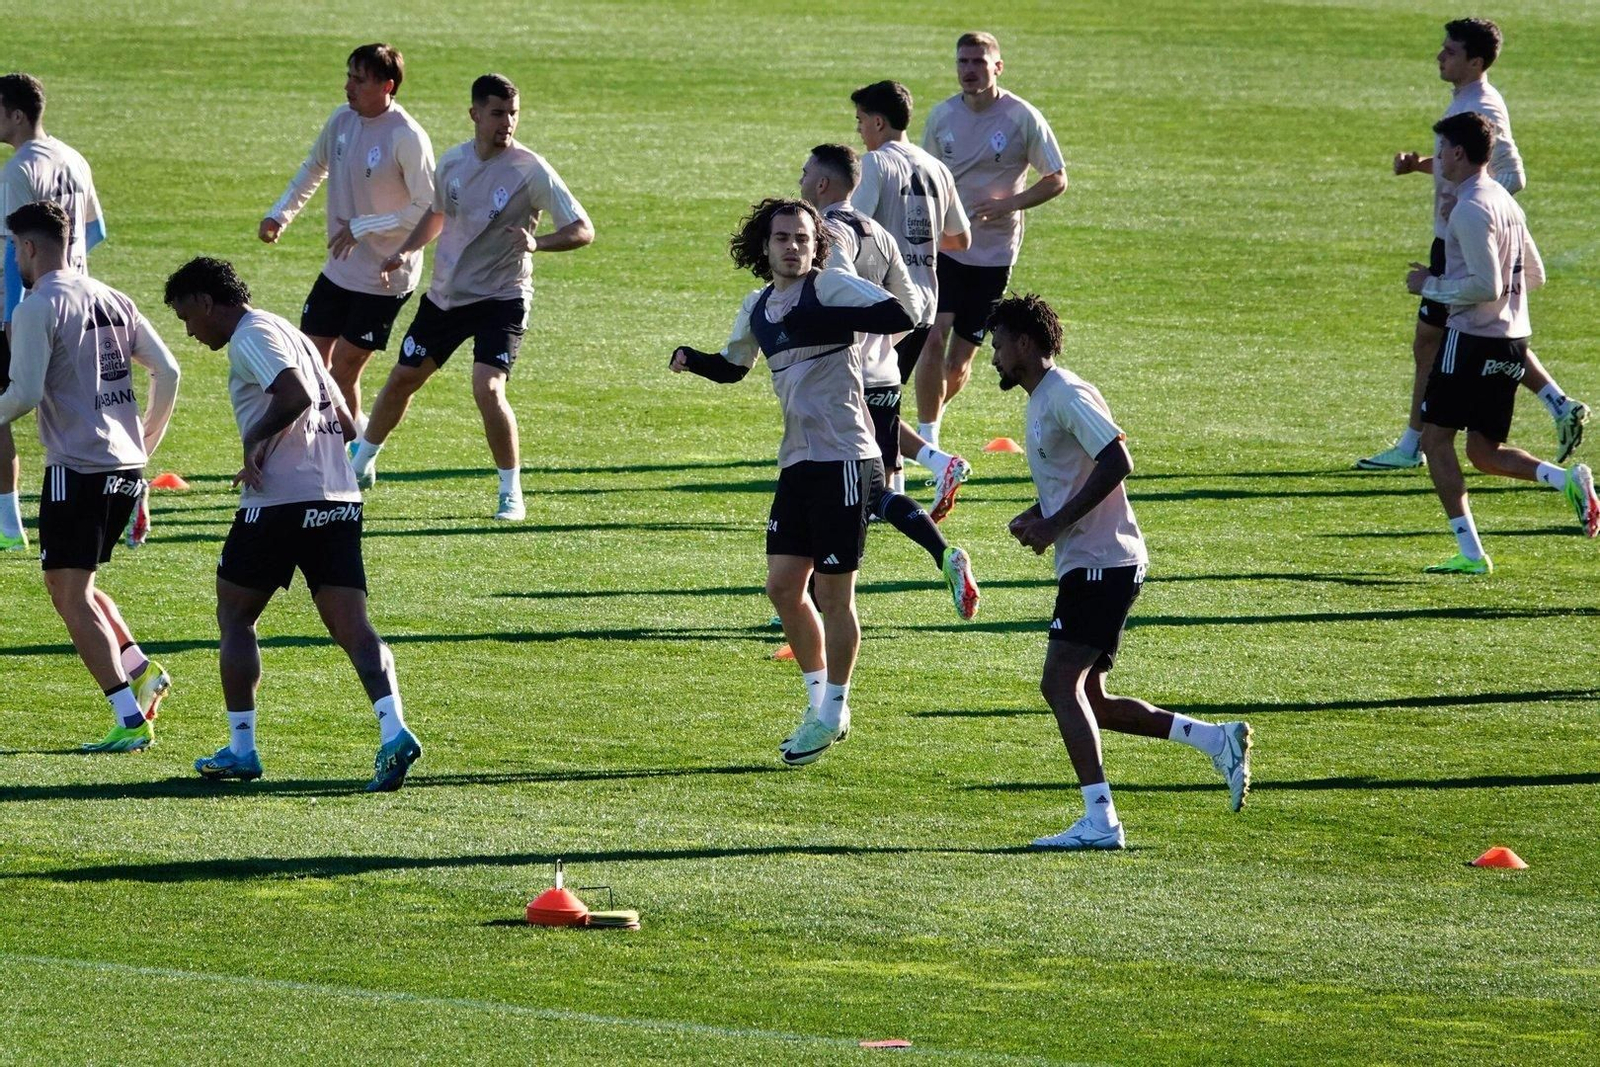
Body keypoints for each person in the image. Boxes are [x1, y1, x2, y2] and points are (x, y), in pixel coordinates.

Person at [991, 293, 1250, 850]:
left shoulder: (1066, 394)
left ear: (1025, 343)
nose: (992, 355)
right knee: (1095, 702)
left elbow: (1117, 460)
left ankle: (1101, 822)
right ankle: (1216, 740)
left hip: (1102, 564)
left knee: (1059, 684)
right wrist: (1040, 516)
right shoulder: (1043, 400)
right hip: (1096, 562)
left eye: (998, 343)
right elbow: (1080, 473)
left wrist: (1055, 523)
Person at [670, 198, 913, 766]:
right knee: (783, 587)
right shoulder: (757, 307)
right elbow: (736, 365)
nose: (793, 246)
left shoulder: (829, 288)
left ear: (816, 244)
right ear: (765, 245)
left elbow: (900, 315)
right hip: (799, 463)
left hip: (846, 459)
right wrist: (693, 360)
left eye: (803, 238)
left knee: (833, 596)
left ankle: (834, 708)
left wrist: (832, 318)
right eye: (783, 238)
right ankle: (819, 703)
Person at [164, 256, 422, 790]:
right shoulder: (292, 332)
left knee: (235, 618)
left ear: (207, 302)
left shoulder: (250, 336)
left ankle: (242, 749)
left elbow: (295, 396)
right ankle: (394, 730)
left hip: (279, 502)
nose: (189, 331)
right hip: (338, 498)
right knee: (355, 628)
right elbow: (347, 420)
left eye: (187, 317)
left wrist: (255, 440)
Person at [350, 74, 594, 520]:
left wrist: (539, 244)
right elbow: (438, 213)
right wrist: (405, 251)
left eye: (513, 114)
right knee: (403, 379)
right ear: (475, 114)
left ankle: (510, 491)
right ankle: (362, 463)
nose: (507, 123)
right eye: (498, 113)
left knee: (487, 387)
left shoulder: (530, 170)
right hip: (447, 296)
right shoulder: (453, 163)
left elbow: (583, 230)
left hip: (502, 296)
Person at [1360, 17, 1588, 471]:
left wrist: (1474, 207)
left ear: (1475, 61)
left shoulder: (1485, 104)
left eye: (1450, 51)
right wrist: (1422, 165)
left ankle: (1414, 445)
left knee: (1440, 342)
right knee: (1464, 340)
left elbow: (1510, 174)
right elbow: (1463, 158)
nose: (1439, 56)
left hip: (1462, 245)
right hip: (1454, 239)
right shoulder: (1464, 99)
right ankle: (1558, 403)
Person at [0, 201, 178, 751]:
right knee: (80, 585)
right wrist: (143, 444)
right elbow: (167, 371)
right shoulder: (112, 296)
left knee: (67, 594)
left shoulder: (37, 307)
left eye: (13, 248)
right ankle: (141, 669)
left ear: (29, 247)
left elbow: (25, 394)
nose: (13, 259)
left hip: (77, 468)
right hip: (124, 465)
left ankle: (129, 719)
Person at [1406, 113, 1597, 574]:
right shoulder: (1506, 203)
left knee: (1434, 441)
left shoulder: (1471, 207)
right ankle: (1565, 480)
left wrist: (1430, 285)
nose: (1437, 158)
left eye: (1441, 148)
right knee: (1484, 451)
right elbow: (1534, 274)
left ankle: (1471, 554)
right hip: (1513, 340)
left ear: (1457, 152)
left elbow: (1485, 285)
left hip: (1471, 338)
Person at [799, 143, 977, 619]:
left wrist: (845, 334)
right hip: (884, 373)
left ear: (821, 184)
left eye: (804, 173)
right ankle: (941, 554)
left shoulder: (828, 231)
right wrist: (883, 339)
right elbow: (916, 306)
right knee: (872, 491)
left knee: (826, 479)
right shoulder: (878, 231)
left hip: (844, 376)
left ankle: (813, 594)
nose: (799, 181)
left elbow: (831, 286)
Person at [258, 43, 435, 438]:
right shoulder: (342, 120)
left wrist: (364, 226)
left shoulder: (407, 136)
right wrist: (279, 214)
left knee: (344, 369)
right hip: (340, 269)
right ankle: (348, 432)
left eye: (359, 80)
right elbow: (313, 168)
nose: (347, 86)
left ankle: (349, 452)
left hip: (385, 276)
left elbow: (430, 206)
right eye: (348, 77)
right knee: (310, 357)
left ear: (387, 86)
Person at [918, 31, 1066, 447]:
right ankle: (927, 441)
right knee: (933, 333)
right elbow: (925, 177)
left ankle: (930, 424)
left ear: (997, 67)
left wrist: (1010, 204)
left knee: (961, 359)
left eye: (978, 62)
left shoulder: (1021, 117)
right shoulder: (942, 116)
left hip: (994, 254)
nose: (968, 70)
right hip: (946, 246)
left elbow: (1056, 178)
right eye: (962, 62)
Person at [0, 72, 110, 551]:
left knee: (5, 408)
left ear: (17, 115)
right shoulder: (73, 158)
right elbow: (97, 231)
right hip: (78, 297)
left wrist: (9, 317)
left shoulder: (19, 170)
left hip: (29, 302)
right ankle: (109, 511)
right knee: (76, 409)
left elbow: (14, 251)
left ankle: (7, 525)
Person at [849, 80, 973, 495]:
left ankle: (937, 463)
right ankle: (894, 489)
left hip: (884, 304)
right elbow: (960, 239)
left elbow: (853, 226)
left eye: (861, 122)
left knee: (864, 398)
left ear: (879, 122)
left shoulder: (875, 164)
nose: (860, 131)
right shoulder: (937, 168)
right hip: (925, 301)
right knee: (884, 399)